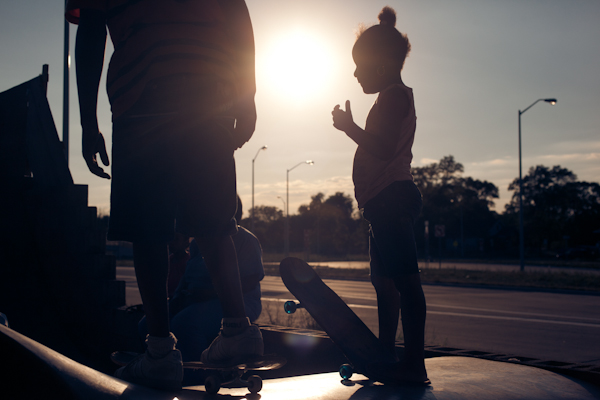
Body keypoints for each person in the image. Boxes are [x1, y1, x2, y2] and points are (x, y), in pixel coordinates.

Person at [66, 0, 263, 390]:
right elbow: (237, 13)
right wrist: (246, 92)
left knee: (148, 227)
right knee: (214, 222)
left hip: (144, 94)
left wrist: (88, 120)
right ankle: (238, 330)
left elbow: (90, 28)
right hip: (212, 89)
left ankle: (158, 352)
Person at [331, 6, 429, 385]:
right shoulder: (389, 96)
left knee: (405, 282)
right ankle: (385, 352)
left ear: (382, 65)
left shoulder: (394, 97)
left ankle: (414, 363)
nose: (355, 74)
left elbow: (385, 148)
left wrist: (350, 127)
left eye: (359, 66)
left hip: (392, 199)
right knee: (384, 283)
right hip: (381, 203)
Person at [139, 197, 264, 384]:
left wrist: (211, 294)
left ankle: (198, 376)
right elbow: (188, 275)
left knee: (185, 324)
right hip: (197, 300)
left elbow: (251, 280)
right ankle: (157, 365)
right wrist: (177, 298)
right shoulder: (199, 242)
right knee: (146, 324)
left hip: (239, 302)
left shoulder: (247, 240)